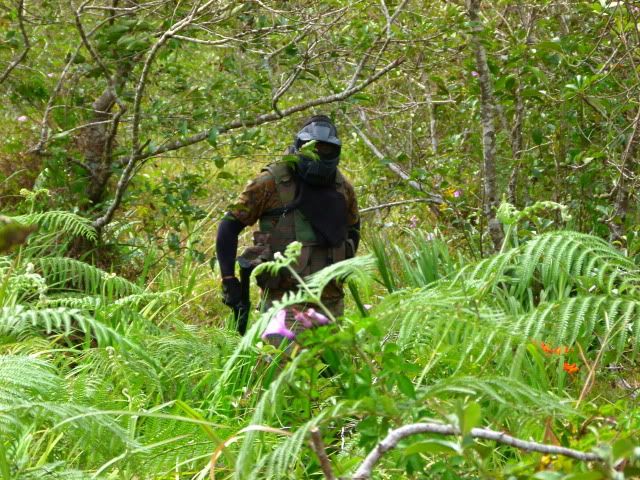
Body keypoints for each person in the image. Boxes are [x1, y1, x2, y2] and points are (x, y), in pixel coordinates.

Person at [215, 114, 360, 338]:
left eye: (326, 149)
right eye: (312, 147)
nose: (319, 154)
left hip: (330, 301)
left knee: (329, 372)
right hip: (284, 302)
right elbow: (229, 226)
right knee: (285, 369)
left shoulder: (342, 188)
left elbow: (353, 230)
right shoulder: (271, 182)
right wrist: (228, 279)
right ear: (299, 146)